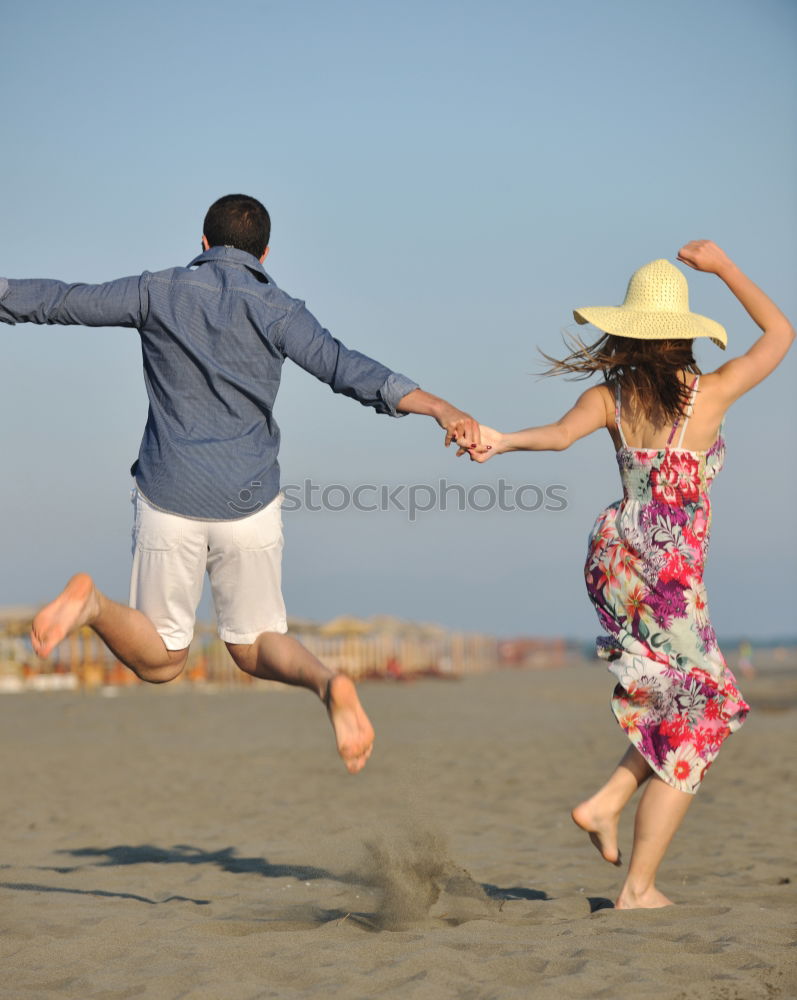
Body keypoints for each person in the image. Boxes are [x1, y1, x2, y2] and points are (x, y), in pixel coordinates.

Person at [0, 193, 480, 775]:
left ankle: (93, 604)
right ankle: (329, 684)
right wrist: (440, 408)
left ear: (203, 244)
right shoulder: (279, 308)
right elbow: (346, 368)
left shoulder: (158, 289)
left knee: (161, 659)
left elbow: (62, 302)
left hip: (169, 493)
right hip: (248, 502)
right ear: (265, 253)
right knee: (255, 645)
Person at [461, 241, 794, 907]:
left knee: (682, 703)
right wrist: (724, 268)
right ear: (681, 335)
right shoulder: (714, 392)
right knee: (707, 709)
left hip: (616, 549)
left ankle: (610, 803)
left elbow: (556, 437)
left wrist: (496, 439)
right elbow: (780, 332)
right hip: (667, 562)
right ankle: (635, 883)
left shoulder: (609, 396)